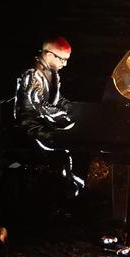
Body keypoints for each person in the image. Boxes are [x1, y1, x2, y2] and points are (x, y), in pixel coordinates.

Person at [13, 35, 84, 196]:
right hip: (30, 125)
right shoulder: (32, 74)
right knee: (63, 144)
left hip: (44, 122)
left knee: (74, 140)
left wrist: (74, 109)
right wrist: (65, 116)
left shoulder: (53, 74)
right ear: (49, 55)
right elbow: (40, 106)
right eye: (62, 59)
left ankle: (70, 183)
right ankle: (64, 187)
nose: (64, 64)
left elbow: (57, 100)